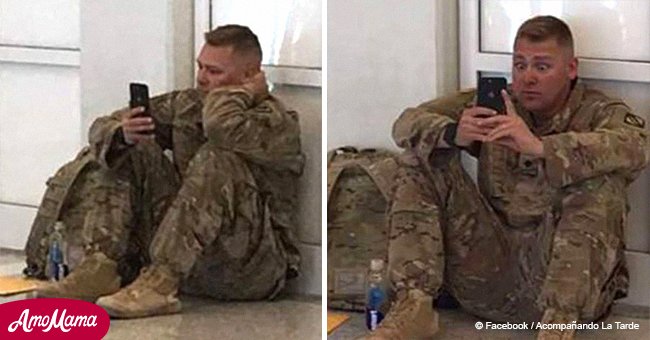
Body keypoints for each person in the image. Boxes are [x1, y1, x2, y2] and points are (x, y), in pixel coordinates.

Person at [365, 16, 649, 340]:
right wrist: (454, 132)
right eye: (519, 65)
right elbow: (405, 124)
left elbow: (638, 146)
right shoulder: (497, 103)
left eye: (542, 67)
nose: (527, 77)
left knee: (601, 183)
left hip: (560, 280)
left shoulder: (597, 110)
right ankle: (414, 306)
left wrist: (542, 148)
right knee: (420, 158)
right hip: (489, 270)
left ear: (571, 69)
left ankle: (558, 323)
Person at [28, 24, 305, 318]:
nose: (201, 78)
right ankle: (100, 267)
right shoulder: (187, 105)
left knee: (217, 157)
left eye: (214, 72)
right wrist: (122, 133)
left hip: (250, 268)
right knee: (130, 147)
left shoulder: (276, 122)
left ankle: (161, 282)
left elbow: (221, 127)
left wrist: (244, 94)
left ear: (250, 75)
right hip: (192, 260)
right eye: (200, 67)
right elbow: (103, 125)